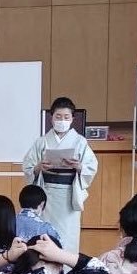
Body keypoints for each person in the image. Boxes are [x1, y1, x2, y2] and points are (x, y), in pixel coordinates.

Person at [22, 96, 97, 253]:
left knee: (67, 235)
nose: (62, 120)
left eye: (66, 117)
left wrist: (79, 166)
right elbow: (28, 166)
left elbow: (91, 167)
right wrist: (38, 167)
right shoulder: (42, 142)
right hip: (47, 194)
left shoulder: (80, 141)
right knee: (46, 233)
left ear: (72, 119)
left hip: (69, 195)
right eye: (58, 116)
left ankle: (67, 268)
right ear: (51, 118)